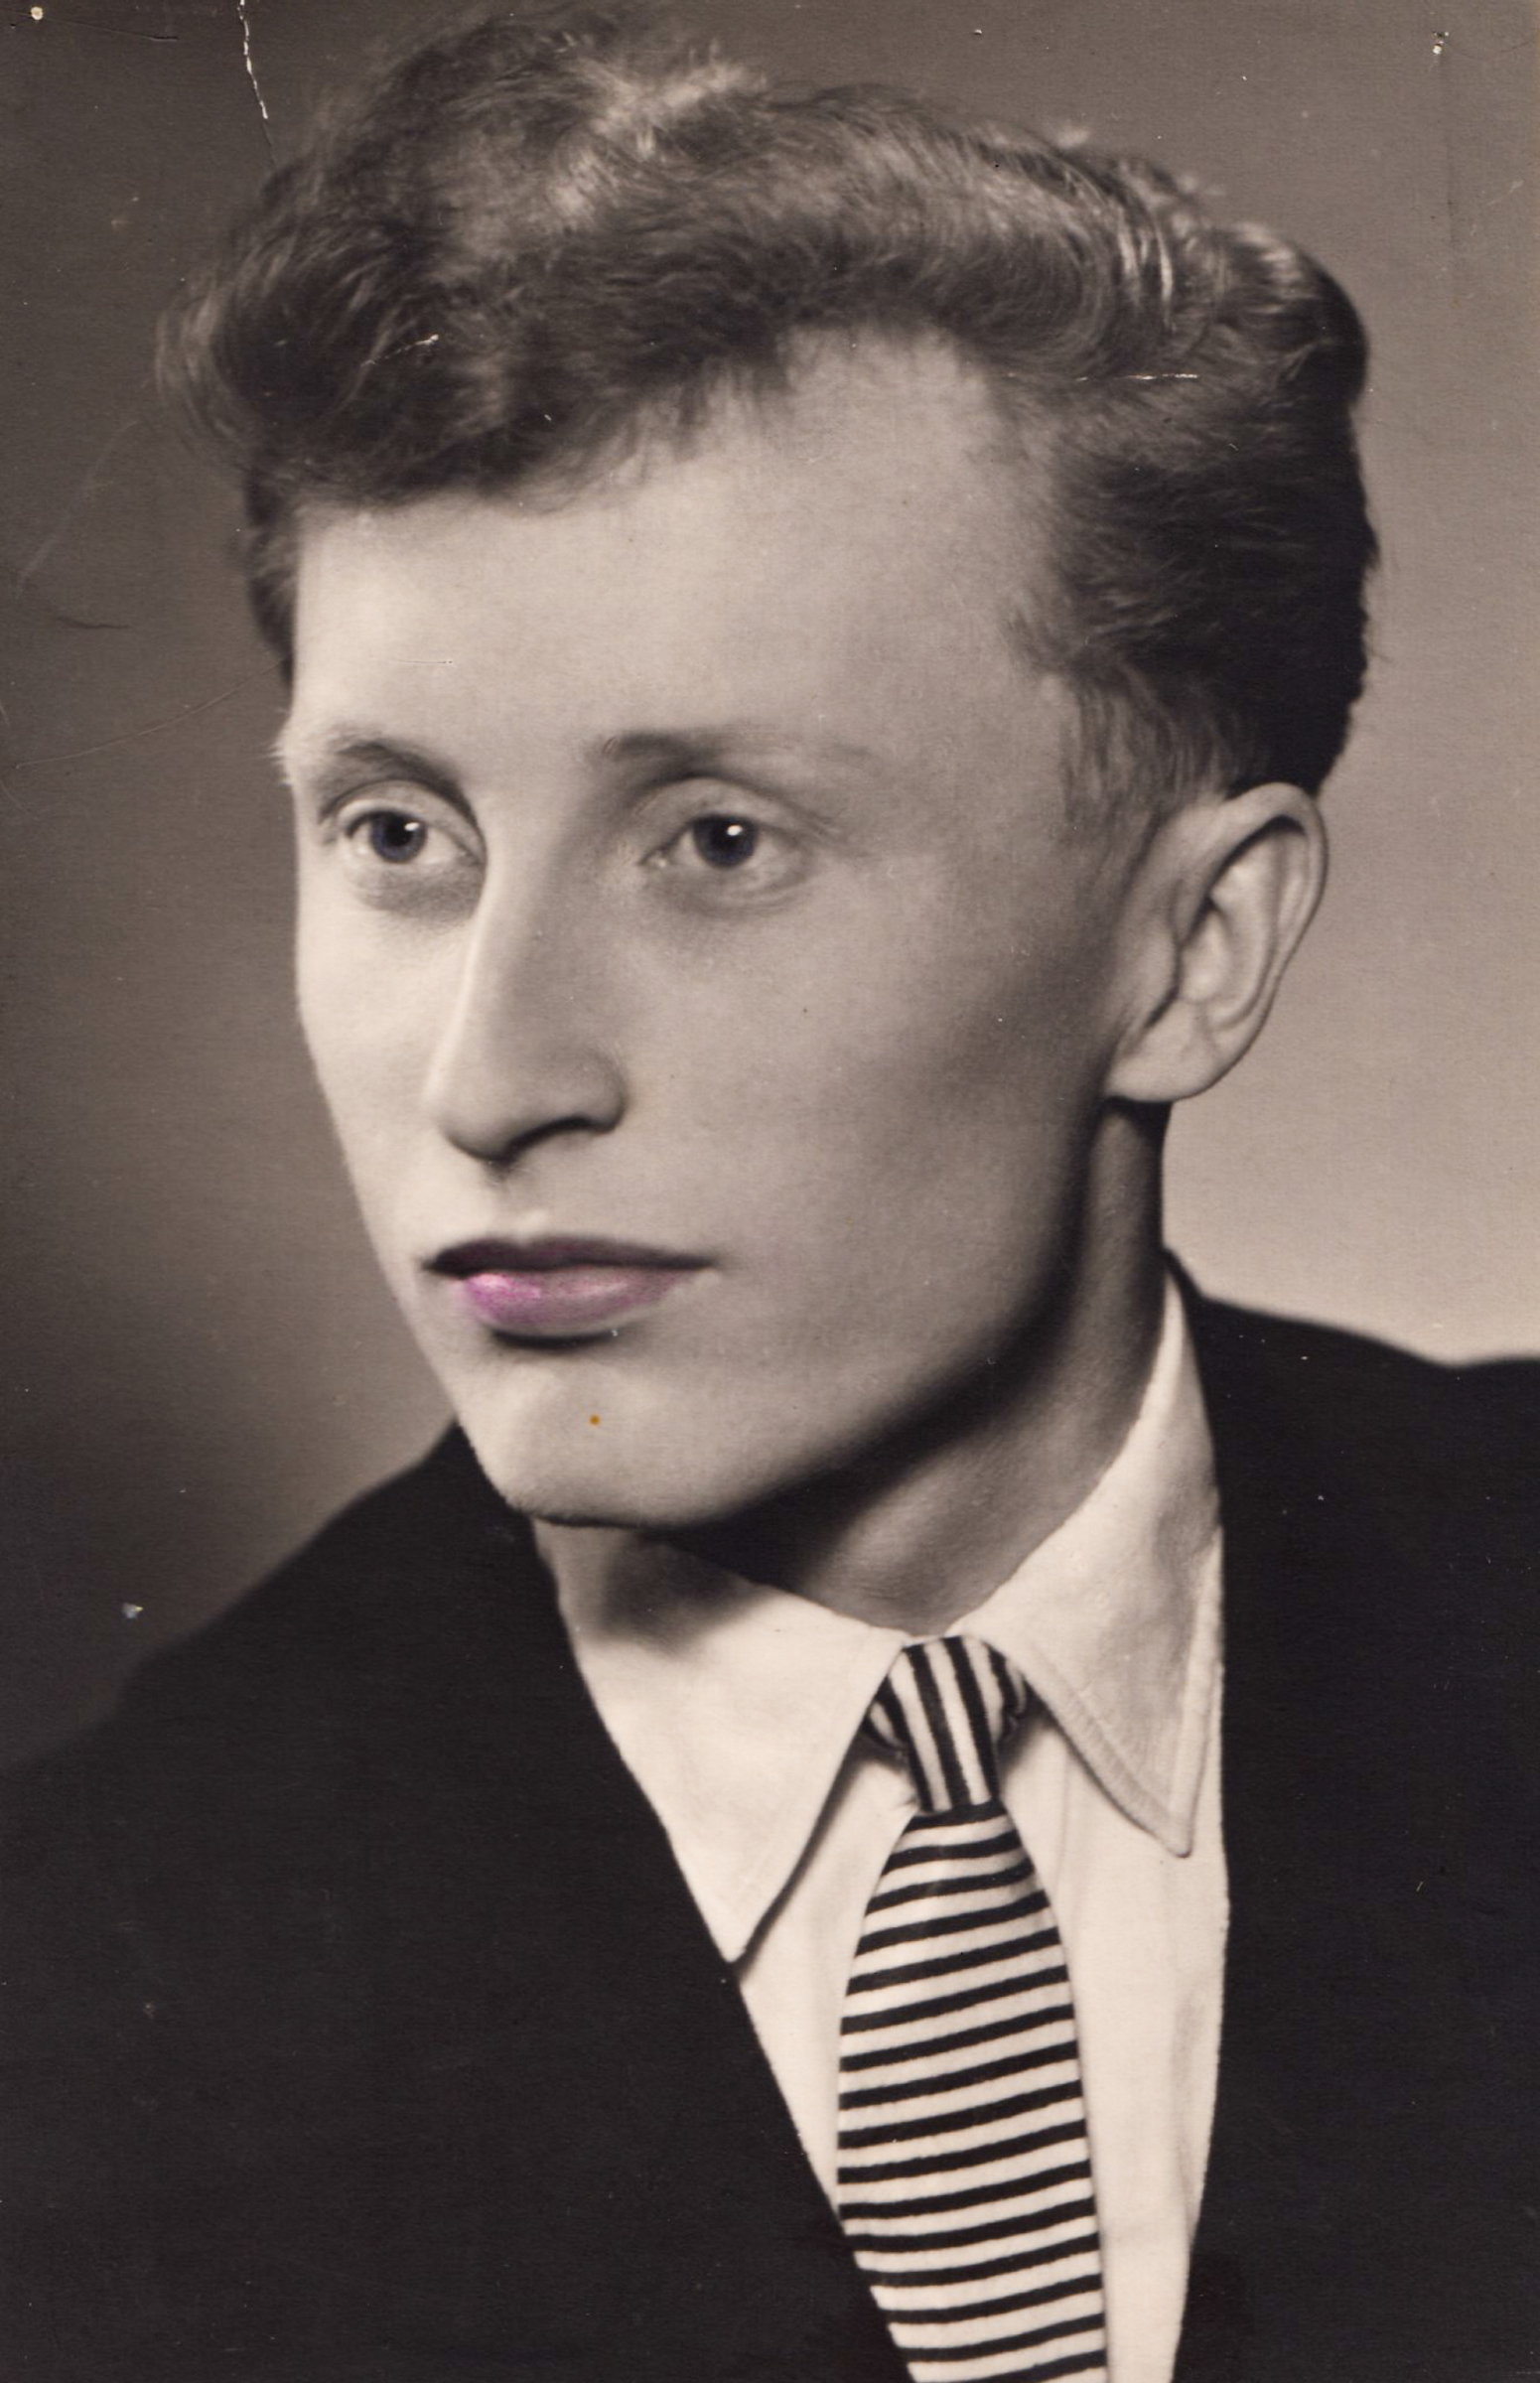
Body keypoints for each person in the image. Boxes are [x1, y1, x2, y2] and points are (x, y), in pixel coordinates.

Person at [1, 8, 1534, 2380]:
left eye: (718, 841)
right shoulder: (83, 1979)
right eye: (398, 833)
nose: (490, 1078)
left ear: (1189, 951)